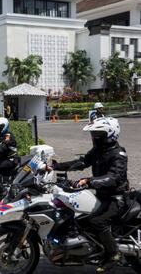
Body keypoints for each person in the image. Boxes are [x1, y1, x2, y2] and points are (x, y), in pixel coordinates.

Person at [53, 117, 128, 273]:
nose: (94, 137)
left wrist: (89, 181)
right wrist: (54, 167)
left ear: (110, 134)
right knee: (81, 219)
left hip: (116, 198)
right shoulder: (97, 151)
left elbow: (114, 177)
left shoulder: (118, 154)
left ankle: (114, 255)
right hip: (101, 195)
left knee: (97, 221)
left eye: (97, 133)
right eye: (93, 133)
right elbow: (81, 163)